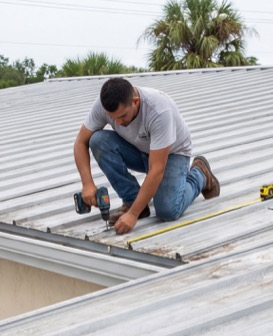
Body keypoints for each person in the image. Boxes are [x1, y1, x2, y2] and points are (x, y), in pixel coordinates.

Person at [74, 77, 220, 235]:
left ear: (135, 102)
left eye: (123, 116)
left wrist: (132, 216)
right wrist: (87, 184)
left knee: (168, 211)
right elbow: (80, 143)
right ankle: (133, 201)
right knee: (97, 140)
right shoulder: (104, 105)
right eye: (113, 117)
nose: (118, 122)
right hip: (140, 149)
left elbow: (156, 169)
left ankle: (200, 174)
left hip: (172, 154)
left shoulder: (159, 110)